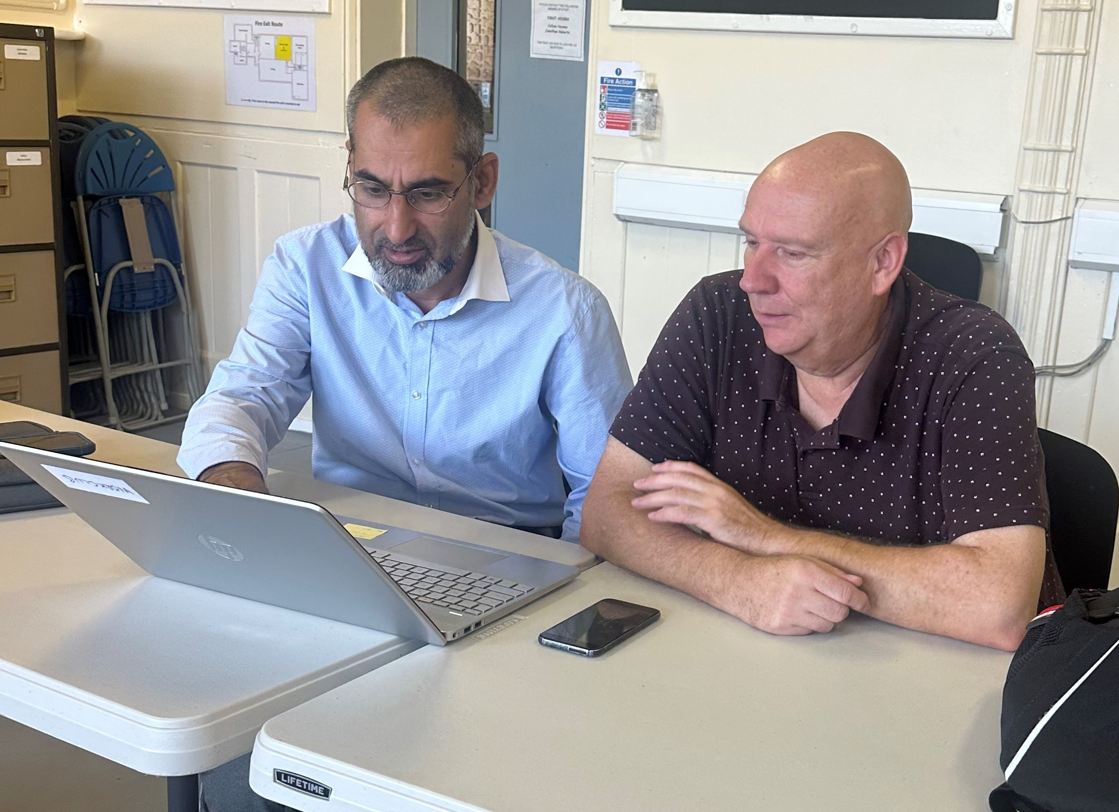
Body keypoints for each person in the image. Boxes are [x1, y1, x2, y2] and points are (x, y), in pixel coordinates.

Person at [581, 132, 1063, 652]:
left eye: (792, 253)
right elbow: (609, 511)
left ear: (882, 263)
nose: (753, 279)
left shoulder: (974, 354)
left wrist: (762, 538)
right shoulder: (717, 316)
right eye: (751, 242)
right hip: (751, 657)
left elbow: (999, 606)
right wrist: (738, 581)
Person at [178, 57, 631, 543]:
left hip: (511, 550)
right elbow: (244, 396)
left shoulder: (566, 310)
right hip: (351, 544)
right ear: (350, 166)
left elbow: (610, 495)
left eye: (427, 194)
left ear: (482, 182)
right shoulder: (305, 266)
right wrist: (232, 487)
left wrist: (563, 591)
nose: (396, 229)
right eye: (372, 189)